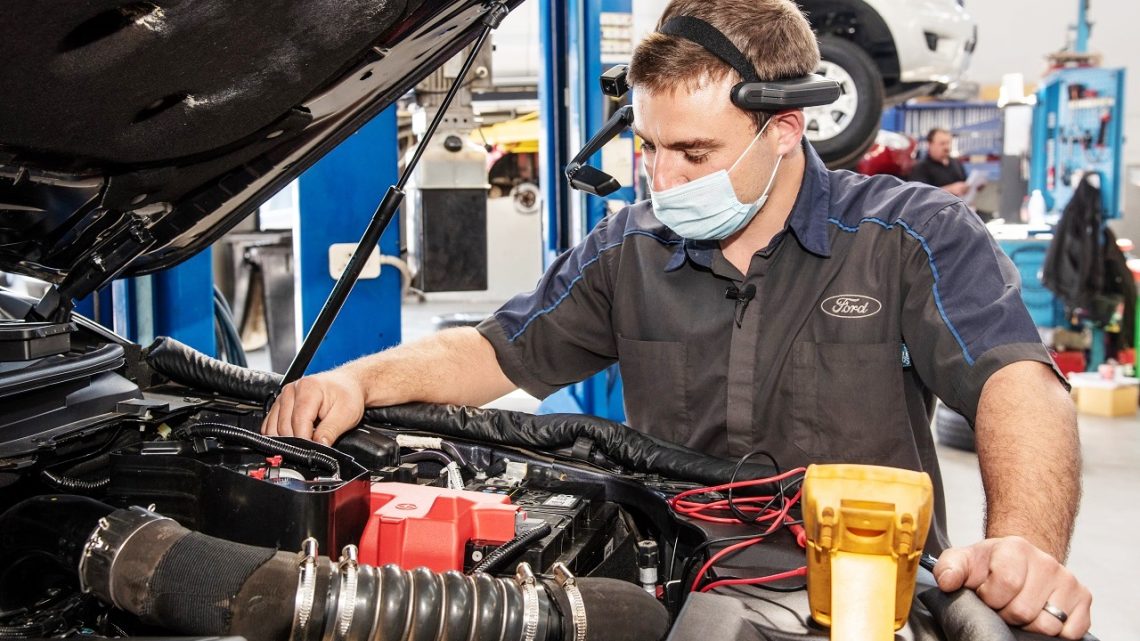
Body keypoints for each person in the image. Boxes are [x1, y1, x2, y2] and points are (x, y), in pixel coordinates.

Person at [264, 1, 1091, 637]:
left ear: (785, 129)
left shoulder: (911, 235)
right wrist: (356, 380)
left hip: (862, 599)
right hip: (671, 589)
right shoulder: (627, 249)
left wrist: (1022, 545)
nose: (661, 181)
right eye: (650, 148)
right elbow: (492, 352)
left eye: (694, 153)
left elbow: (1017, 384)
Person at [910, 127, 972, 196]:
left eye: (948, 143)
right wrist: (950, 190)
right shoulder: (921, 168)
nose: (947, 147)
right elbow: (920, 195)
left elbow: (965, 182)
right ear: (930, 145)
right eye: (942, 143)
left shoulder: (956, 162)